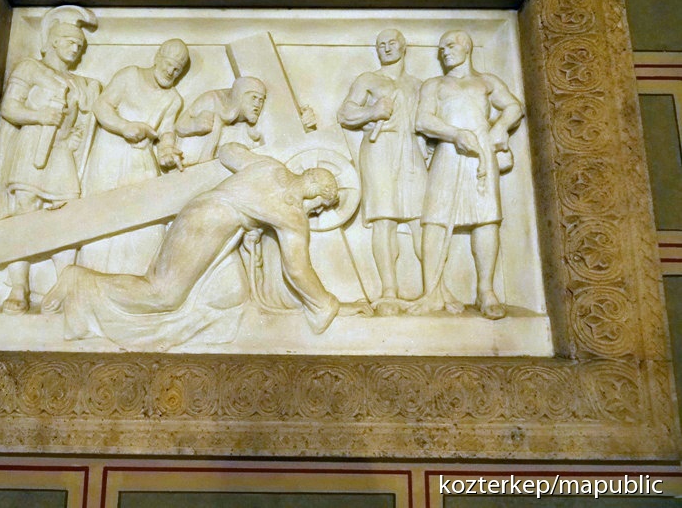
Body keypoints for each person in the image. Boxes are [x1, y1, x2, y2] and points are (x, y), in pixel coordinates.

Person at [43, 143, 372, 347]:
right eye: (321, 206)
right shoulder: (291, 214)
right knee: (163, 294)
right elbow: (297, 270)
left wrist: (250, 208)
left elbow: (228, 151)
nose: (317, 213)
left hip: (202, 212)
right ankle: (80, 281)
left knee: (234, 294)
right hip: (209, 226)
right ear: (315, 191)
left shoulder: (270, 167)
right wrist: (331, 304)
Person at [0, 5, 101, 315]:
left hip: (61, 152)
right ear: (53, 41)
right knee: (24, 213)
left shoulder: (78, 83)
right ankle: (19, 287)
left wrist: (75, 135)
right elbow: (9, 108)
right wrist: (39, 116)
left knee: (68, 215)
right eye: (70, 42)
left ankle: (63, 287)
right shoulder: (29, 69)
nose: (76, 49)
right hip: (32, 148)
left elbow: (84, 118)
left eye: (80, 45)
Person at [411, 30, 523, 319]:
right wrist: (454, 134)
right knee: (435, 218)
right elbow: (423, 120)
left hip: (480, 152)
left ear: (466, 47)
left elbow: (514, 106)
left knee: (486, 219)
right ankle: (431, 291)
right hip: (448, 152)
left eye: (449, 46)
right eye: (441, 49)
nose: (444, 52)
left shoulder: (486, 81)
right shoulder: (434, 84)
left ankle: (485, 291)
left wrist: (499, 128)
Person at [76, 39, 188, 274]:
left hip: (141, 160)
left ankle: (136, 277)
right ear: (157, 57)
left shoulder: (173, 99)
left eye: (177, 69)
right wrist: (123, 126)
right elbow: (101, 106)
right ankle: (92, 275)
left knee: (146, 219)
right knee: (102, 214)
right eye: (169, 64)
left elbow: (166, 132)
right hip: (110, 154)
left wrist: (167, 151)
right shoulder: (130, 76)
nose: (171, 71)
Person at [337, 29, 427, 313]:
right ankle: (389, 290)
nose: (386, 48)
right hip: (379, 149)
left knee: (422, 219)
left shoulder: (418, 85)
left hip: (411, 150)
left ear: (404, 46)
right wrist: (372, 111)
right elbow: (345, 114)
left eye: (392, 43)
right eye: (381, 45)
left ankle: (434, 288)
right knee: (384, 220)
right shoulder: (368, 80)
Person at [175, 76, 267, 165]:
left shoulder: (245, 129)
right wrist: (194, 124)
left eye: (261, 100)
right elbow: (180, 125)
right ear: (240, 96)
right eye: (253, 97)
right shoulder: (212, 100)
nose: (257, 104)